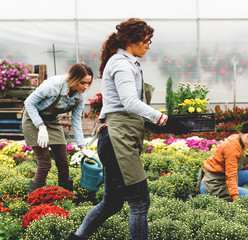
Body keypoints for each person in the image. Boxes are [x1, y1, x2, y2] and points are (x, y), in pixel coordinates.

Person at [67, 18, 167, 240]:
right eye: (147, 41)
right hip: (116, 140)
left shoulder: (126, 62)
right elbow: (130, 102)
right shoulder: (121, 64)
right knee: (140, 202)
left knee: (111, 203)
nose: (149, 46)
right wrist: (159, 117)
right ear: (133, 40)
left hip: (114, 138)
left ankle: (76, 238)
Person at [22, 63, 94, 193]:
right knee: (44, 163)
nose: (86, 87)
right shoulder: (53, 85)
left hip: (52, 120)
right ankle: (35, 200)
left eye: (88, 83)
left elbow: (76, 120)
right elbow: (29, 103)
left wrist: (82, 147)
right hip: (33, 119)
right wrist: (41, 127)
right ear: (74, 78)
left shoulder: (80, 95)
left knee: (63, 163)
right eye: (83, 83)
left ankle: (65, 197)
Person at [198, 119, 248, 202]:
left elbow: (235, 165)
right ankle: (232, 198)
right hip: (213, 186)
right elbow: (231, 175)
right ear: (242, 133)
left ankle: (234, 195)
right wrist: (236, 198)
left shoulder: (240, 141)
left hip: (222, 179)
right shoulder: (232, 147)